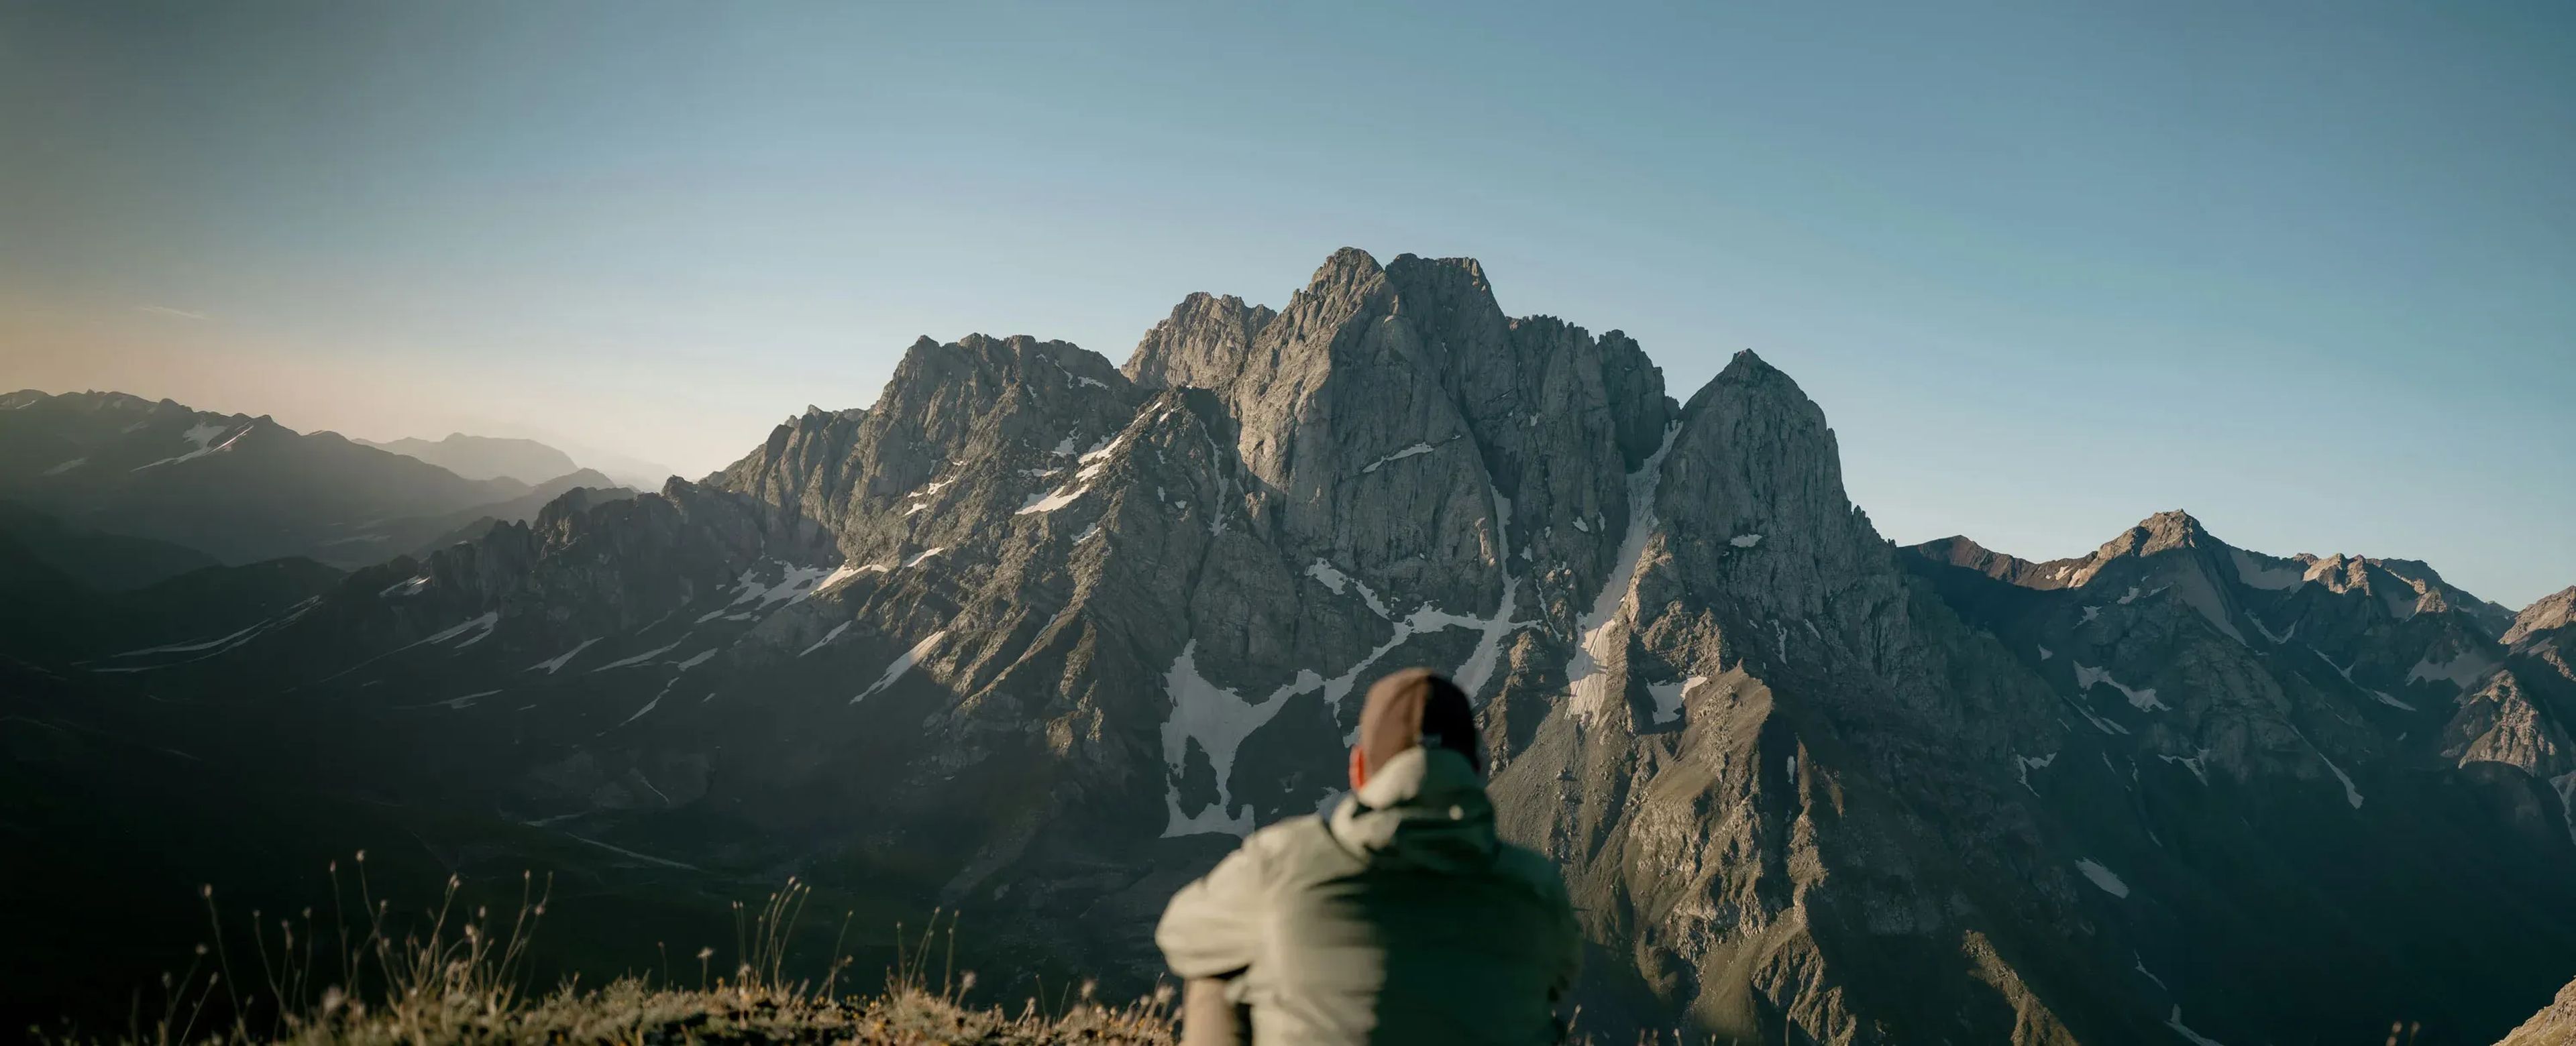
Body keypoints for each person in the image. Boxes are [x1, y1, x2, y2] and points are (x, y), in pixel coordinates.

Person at [1155, 668, 1582, 1045]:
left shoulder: (1283, 863)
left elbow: (1178, 934)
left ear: (1358, 769)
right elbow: (1561, 979)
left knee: (1219, 972)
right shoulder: (1536, 886)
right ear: (1476, 770)